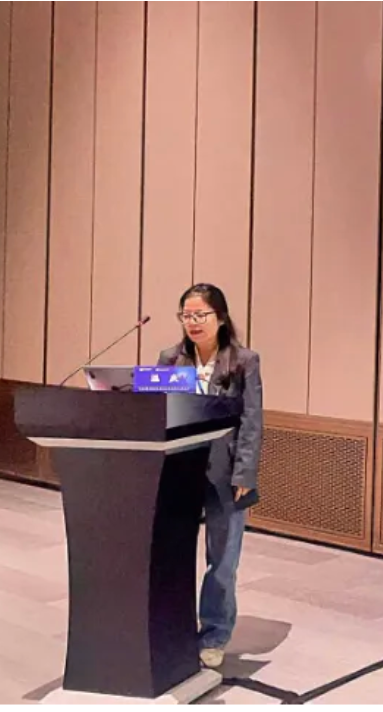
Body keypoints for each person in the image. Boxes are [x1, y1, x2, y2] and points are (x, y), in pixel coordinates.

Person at [158, 283, 263, 669]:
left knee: (222, 559)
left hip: (225, 472)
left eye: (200, 314)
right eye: (186, 315)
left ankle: (215, 633)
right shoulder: (171, 359)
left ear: (220, 317)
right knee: (172, 553)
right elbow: (155, 411)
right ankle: (173, 627)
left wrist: (245, 473)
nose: (193, 322)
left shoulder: (243, 360)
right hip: (178, 470)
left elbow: (252, 421)